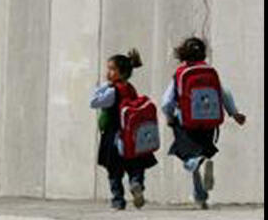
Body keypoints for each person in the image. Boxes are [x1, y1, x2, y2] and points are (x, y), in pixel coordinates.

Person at [160, 36, 247, 209]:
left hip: (186, 123)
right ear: (203, 54)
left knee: (189, 158)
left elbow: (166, 101)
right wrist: (234, 113)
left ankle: (200, 164)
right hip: (209, 123)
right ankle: (201, 196)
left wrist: (169, 116)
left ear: (183, 54)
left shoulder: (179, 74)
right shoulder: (209, 71)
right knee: (198, 158)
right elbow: (224, 93)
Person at [90, 48, 158, 210]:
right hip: (132, 136)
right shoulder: (131, 88)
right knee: (135, 166)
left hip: (115, 136)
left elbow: (94, 102)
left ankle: (118, 200)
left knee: (114, 171)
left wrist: (103, 86)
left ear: (121, 72)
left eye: (112, 69)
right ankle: (136, 183)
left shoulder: (113, 91)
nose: (108, 73)